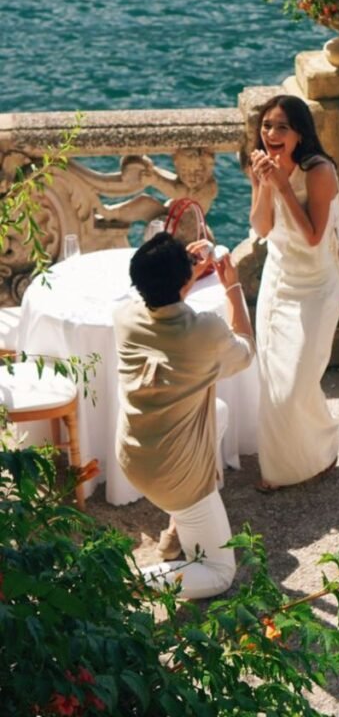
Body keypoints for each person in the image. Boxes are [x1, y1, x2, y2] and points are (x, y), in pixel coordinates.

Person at [113, 231, 254, 599]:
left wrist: (185, 274)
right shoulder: (205, 331)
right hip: (174, 477)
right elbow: (245, 351)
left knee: (217, 413)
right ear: (180, 281)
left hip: (134, 454)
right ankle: (123, 586)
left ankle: (177, 531)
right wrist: (233, 287)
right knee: (219, 573)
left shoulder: (125, 317)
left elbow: (164, 304)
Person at [248, 94, 339, 492]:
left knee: (299, 383)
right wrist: (262, 184)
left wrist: (282, 185)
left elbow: (311, 238)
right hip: (278, 280)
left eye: (281, 127)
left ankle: (324, 447)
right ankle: (279, 469)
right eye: (267, 125)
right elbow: (261, 228)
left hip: (316, 288)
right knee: (274, 378)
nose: (271, 134)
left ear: (299, 134)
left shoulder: (319, 171)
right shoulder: (262, 163)